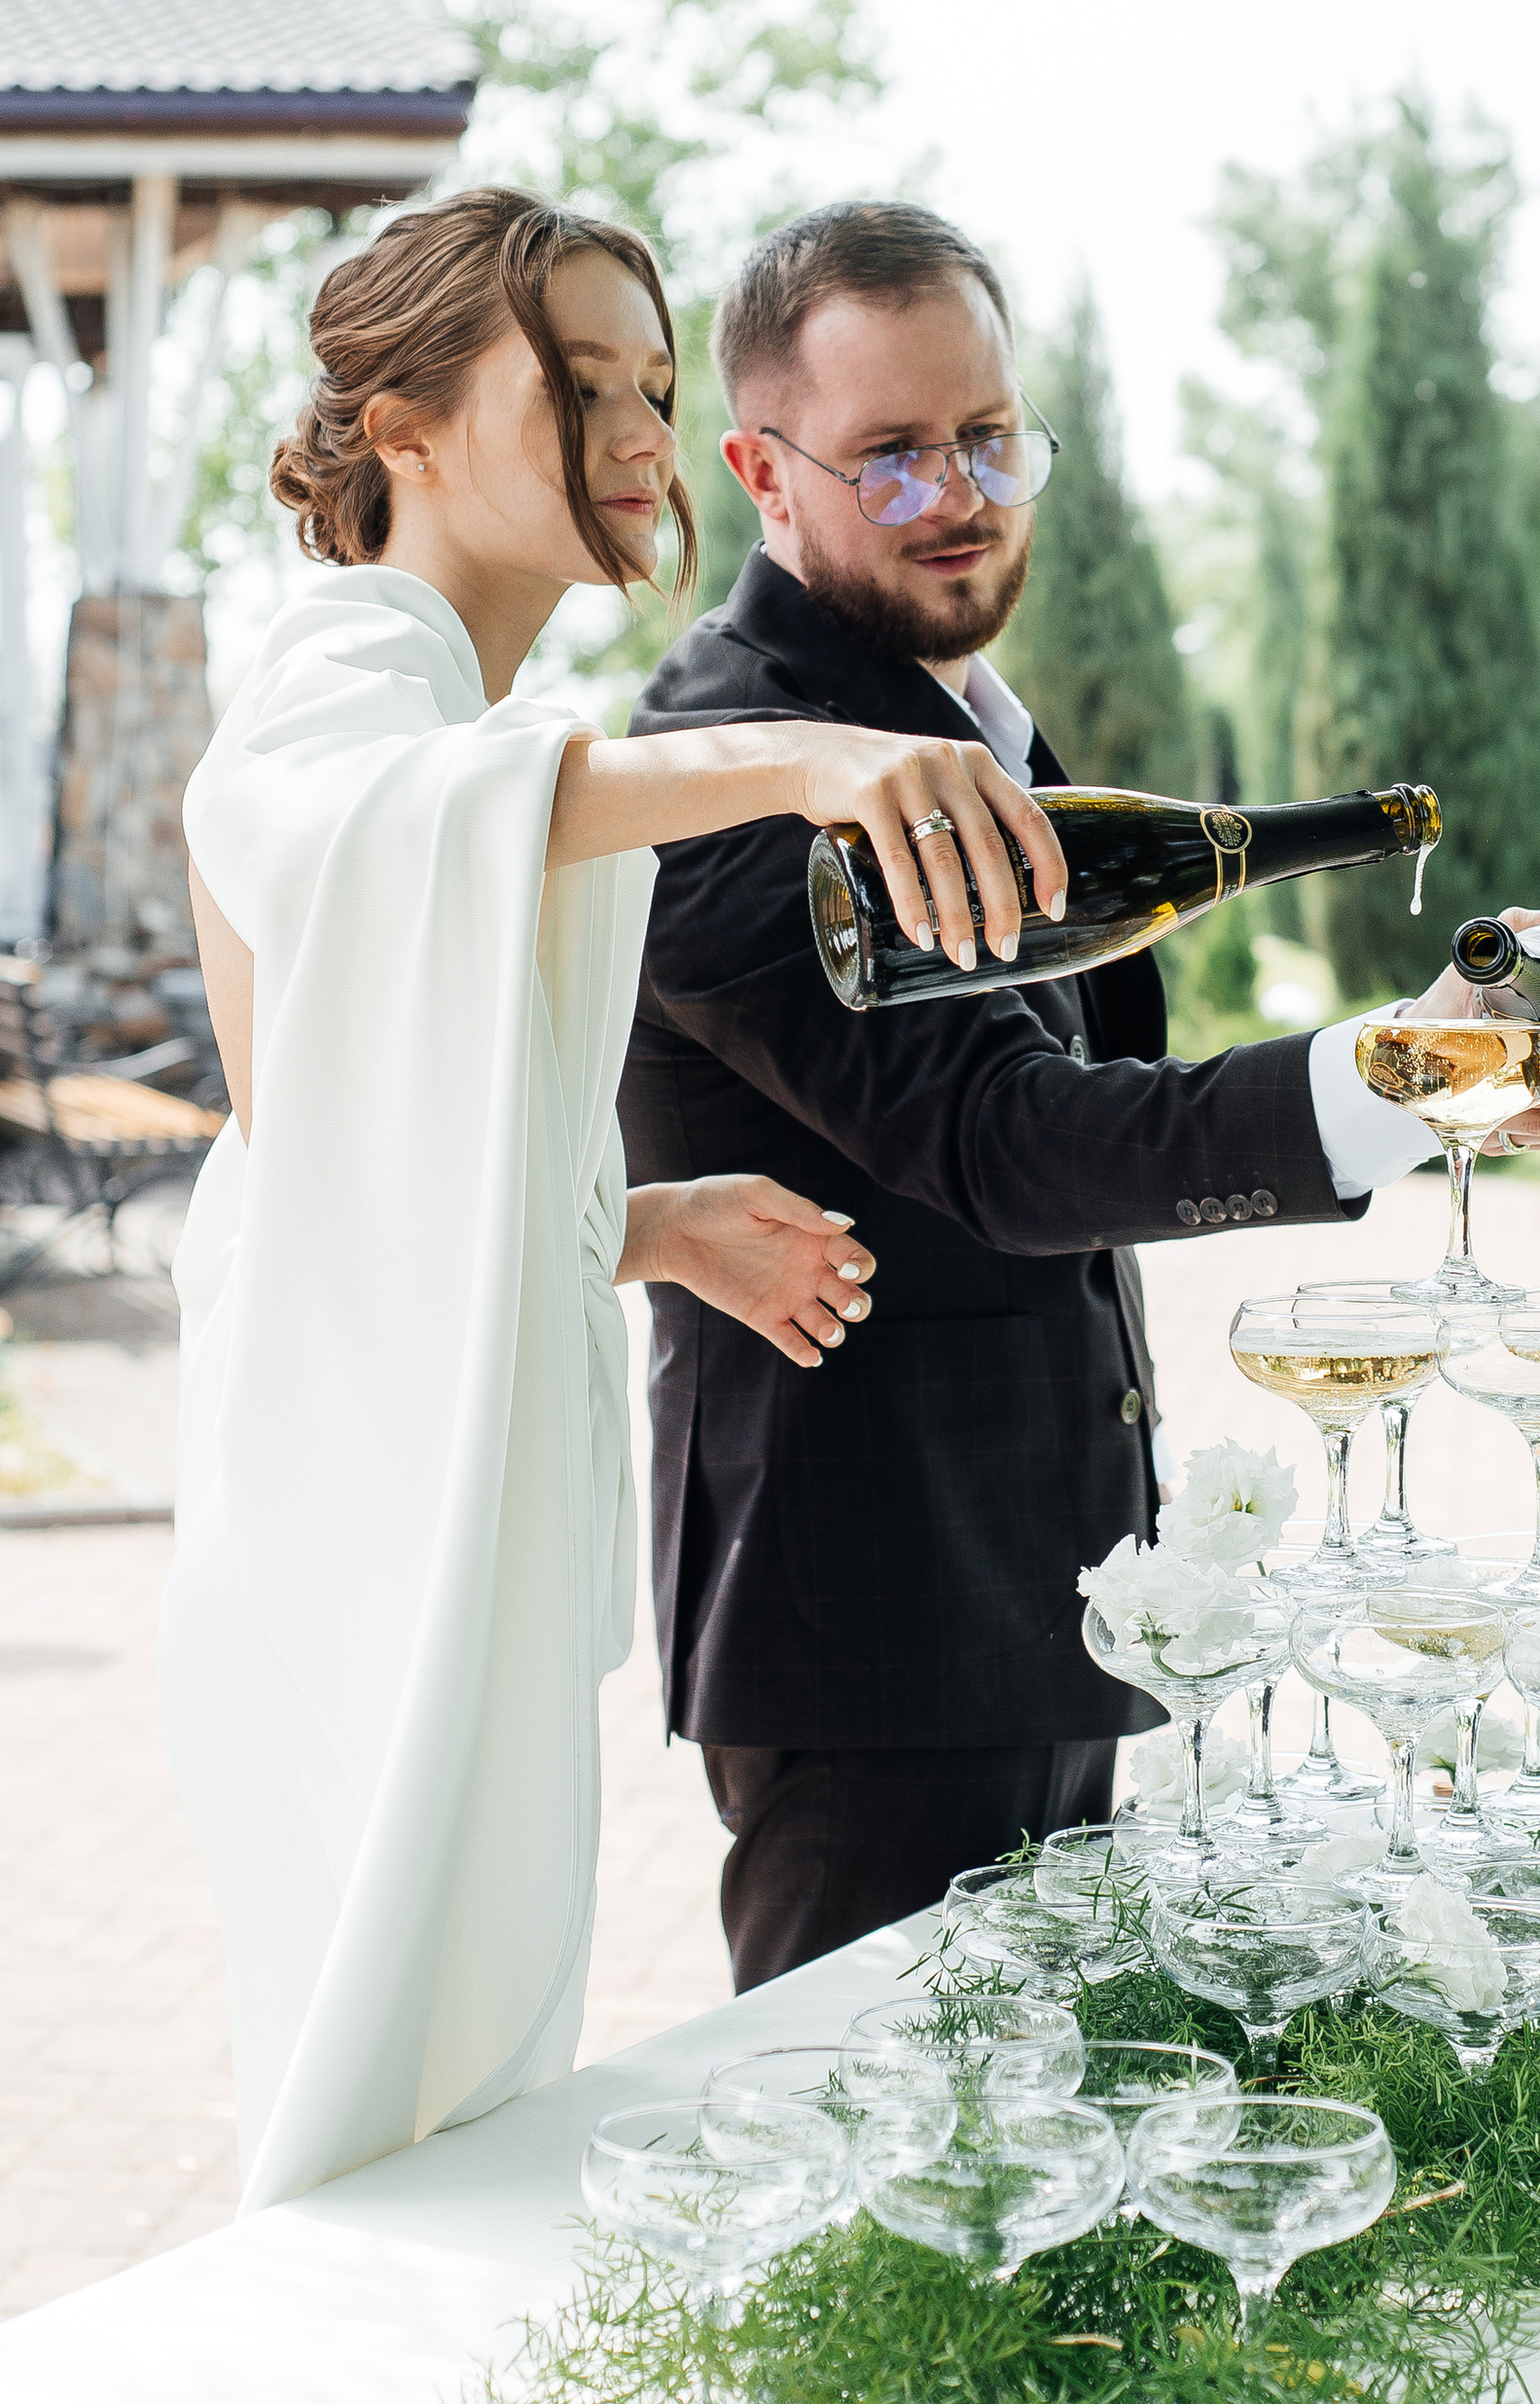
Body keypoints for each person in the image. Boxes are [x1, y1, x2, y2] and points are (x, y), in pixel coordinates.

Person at [619, 201, 1540, 1991]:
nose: (960, 490)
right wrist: (1409, 1070)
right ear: (759, 473)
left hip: (1046, 1590)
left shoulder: (977, 735)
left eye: (989, 436)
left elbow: (1093, 1088)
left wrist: (1435, 1053)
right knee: (873, 2179)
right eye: (888, 456)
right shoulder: (730, 777)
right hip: (870, 1626)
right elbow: (1018, 1146)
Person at [161, 188, 1068, 2213]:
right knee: (372, 2120)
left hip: (437, 1508)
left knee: (459, 2092)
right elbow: (346, 834)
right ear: (397, 422)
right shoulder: (340, 678)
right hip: (357, 1532)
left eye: (654, 387)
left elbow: (343, 1137)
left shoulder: (460, 727)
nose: (643, 435)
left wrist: (642, 1226)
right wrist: (801, 759)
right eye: (581, 385)